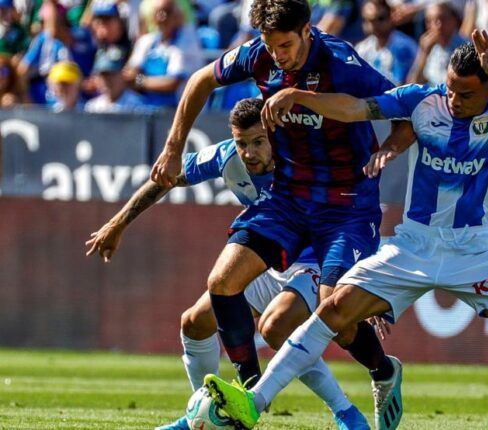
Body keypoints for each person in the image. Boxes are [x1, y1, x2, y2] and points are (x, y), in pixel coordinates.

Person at [202, 31, 488, 430]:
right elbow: (358, 108)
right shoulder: (424, 99)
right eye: (451, 90)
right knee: (334, 310)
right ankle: (254, 403)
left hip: (473, 251)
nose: (453, 100)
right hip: (414, 245)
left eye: (465, 94)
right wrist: (301, 97)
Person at [149, 0, 411, 428]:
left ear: (308, 30)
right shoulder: (259, 54)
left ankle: (383, 371)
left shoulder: (342, 64)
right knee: (221, 282)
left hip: (346, 204)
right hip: (291, 197)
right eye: (271, 46)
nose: (278, 56)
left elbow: (406, 112)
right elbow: (199, 81)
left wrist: (387, 150)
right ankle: (248, 397)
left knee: (334, 312)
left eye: (286, 45)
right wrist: (173, 148)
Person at [85, 98, 369, 430]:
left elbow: (354, 211)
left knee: (277, 327)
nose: (249, 153)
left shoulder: (306, 158)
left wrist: (358, 279)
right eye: (242, 143)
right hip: (269, 262)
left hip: (315, 261)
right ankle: (205, 412)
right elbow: (166, 176)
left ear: (275, 134)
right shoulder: (225, 157)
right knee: (194, 323)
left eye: (259, 142)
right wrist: (117, 224)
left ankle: (346, 413)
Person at [124, 0, 203, 108]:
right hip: (144, 108)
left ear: (176, 15)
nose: (162, 17)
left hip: (176, 110)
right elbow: (129, 74)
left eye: (167, 12)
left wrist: (141, 81)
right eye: (158, 13)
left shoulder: (186, 43)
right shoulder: (146, 41)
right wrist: (142, 80)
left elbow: (171, 84)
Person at [355, 0, 417, 85]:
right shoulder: (362, 48)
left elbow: (399, 85)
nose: (374, 25)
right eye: (369, 20)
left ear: (390, 17)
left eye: (380, 18)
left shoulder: (403, 46)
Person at [408, 2, 467, 86]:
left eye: (443, 19)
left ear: (454, 20)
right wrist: (424, 54)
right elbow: (413, 85)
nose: (438, 25)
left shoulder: (466, 47)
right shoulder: (428, 47)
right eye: (431, 21)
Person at [84, 46, 147, 113]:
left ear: (123, 74)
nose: (107, 80)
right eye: (103, 75)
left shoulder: (138, 106)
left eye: (112, 74)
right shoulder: (92, 107)